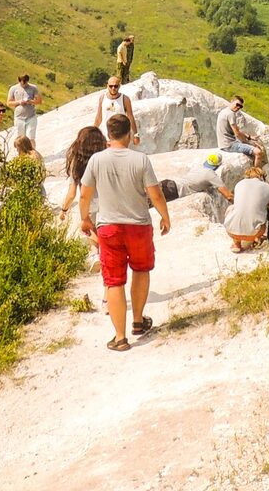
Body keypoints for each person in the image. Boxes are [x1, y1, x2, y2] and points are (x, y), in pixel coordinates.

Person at [79, 114, 171, 351]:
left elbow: (85, 194)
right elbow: (156, 194)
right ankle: (138, 321)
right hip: (139, 225)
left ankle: (120, 337)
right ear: (129, 133)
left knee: (113, 281)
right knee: (141, 270)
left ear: (109, 135)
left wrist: (85, 219)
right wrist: (165, 216)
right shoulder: (141, 160)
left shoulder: (97, 160)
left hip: (109, 227)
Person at [224, 166, 269, 253]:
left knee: (231, 208)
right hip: (254, 233)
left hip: (231, 231)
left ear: (247, 176)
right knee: (261, 214)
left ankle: (236, 244)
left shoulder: (239, 184)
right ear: (262, 177)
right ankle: (256, 238)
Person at [59, 126, 108, 224]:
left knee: (94, 237)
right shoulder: (106, 157)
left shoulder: (77, 162)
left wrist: (64, 210)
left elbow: (72, 194)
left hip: (90, 209)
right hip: (110, 207)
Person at [94, 76, 138, 145]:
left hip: (121, 137)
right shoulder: (102, 98)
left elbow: (130, 117)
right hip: (106, 137)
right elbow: (99, 117)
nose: (113, 88)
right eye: (111, 86)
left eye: (115, 86)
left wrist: (135, 134)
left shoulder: (125, 99)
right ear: (107, 86)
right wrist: (93, 131)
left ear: (119, 86)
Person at [217, 96, 262, 161]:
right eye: (237, 104)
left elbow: (237, 130)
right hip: (229, 145)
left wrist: (249, 137)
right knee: (258, 152)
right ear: (232, 101)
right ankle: (256, 171)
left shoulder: (224, 111)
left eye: (240, 106)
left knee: (253, 145)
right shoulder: (230, 114)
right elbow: (237, 133)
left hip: (224, 144)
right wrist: (246, 142)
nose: (238, 107)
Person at [6, 74, 45, 146]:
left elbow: (39, 101)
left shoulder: (33, 88)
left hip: (31, 117)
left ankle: (32, 154)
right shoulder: (13, 89)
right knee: (20, 139)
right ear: (19, 81)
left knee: (31, 138)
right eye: (22, 83)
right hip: (19, 118)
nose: (24, 85)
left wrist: (30, 101)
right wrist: (19, 102)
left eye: (25, 83)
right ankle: (22, 155)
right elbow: (9, 102)